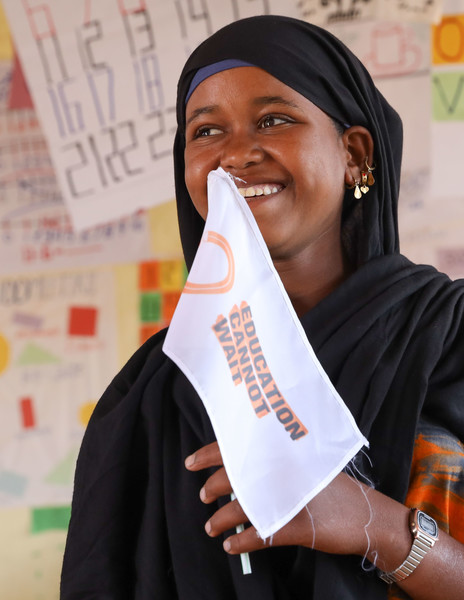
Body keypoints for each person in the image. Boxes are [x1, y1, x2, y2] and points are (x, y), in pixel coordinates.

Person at [60, 15, 464, 600]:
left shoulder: (447, 337)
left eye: (274, 120)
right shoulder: (156, 392)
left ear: (354, 154)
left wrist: (375, 527)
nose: (235, 154)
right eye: (205, 132)